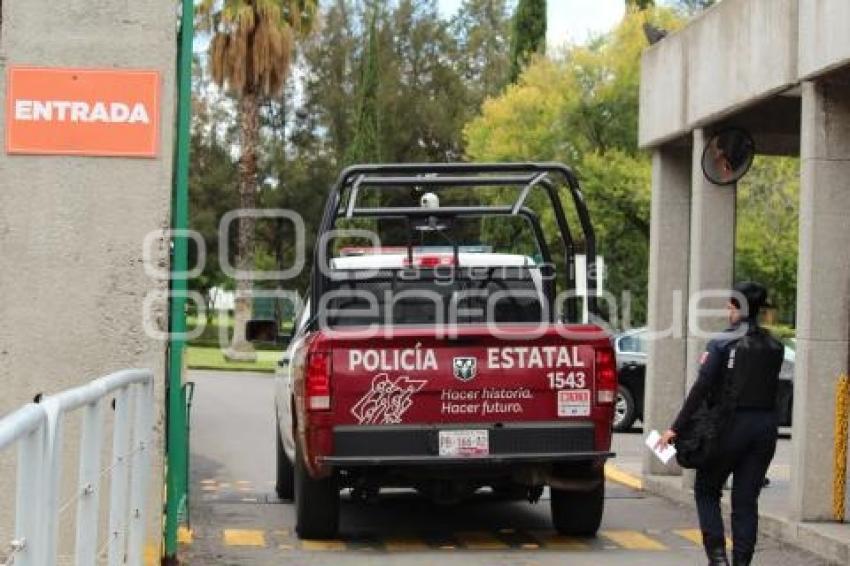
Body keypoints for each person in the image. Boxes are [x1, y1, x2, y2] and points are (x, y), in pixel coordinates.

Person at [656, 282, 784, 566]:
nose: (727, 311)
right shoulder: (776, 346)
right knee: (746, 502)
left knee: (706, 489)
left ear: (738, 308)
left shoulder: (722, 342)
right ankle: (741, 563)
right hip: (764, 429)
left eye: (729, 306)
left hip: (729, 427)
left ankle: (718, 559)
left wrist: (675, 428)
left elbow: (702, 387)